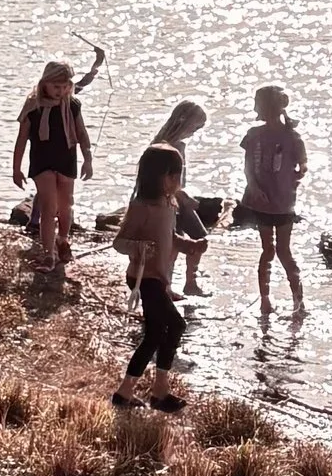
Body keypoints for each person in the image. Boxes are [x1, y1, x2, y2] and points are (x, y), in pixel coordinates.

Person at [113, 107, 204, 409]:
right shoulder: (142, 206)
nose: (179, 181)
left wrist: (187, 244)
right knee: (174, 327)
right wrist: (137, 248)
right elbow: (120, 242)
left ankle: (127, 393)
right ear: (160, 177)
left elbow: (169, 238)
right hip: (144, 276)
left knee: (154, 334)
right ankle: (158, 391)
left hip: (160, 276)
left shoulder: (169, 205)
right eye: (175, 176)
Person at [11, 44, 103, 274]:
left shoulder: (71, 105)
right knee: (48, 207)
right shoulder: (33, 106)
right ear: (44, 84)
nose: (60, 91)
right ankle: (48, 253)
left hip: (66, 159)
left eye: (64, 87)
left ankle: (63, 239)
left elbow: (82, 134)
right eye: (55, 87)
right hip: (42, 161)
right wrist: (16, 168)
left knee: (66, 204)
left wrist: (88, 159)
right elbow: (22, 139)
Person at [238, 82, 308, 316]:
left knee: (275, 250)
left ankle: (284, 301)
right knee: (276, 250)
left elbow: (302, 163)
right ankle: (281, 301)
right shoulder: (264, 136)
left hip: (277, 201)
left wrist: (299, 172)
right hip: (273, 201)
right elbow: (249, 167)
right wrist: (256, 186)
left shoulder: (285, 136)